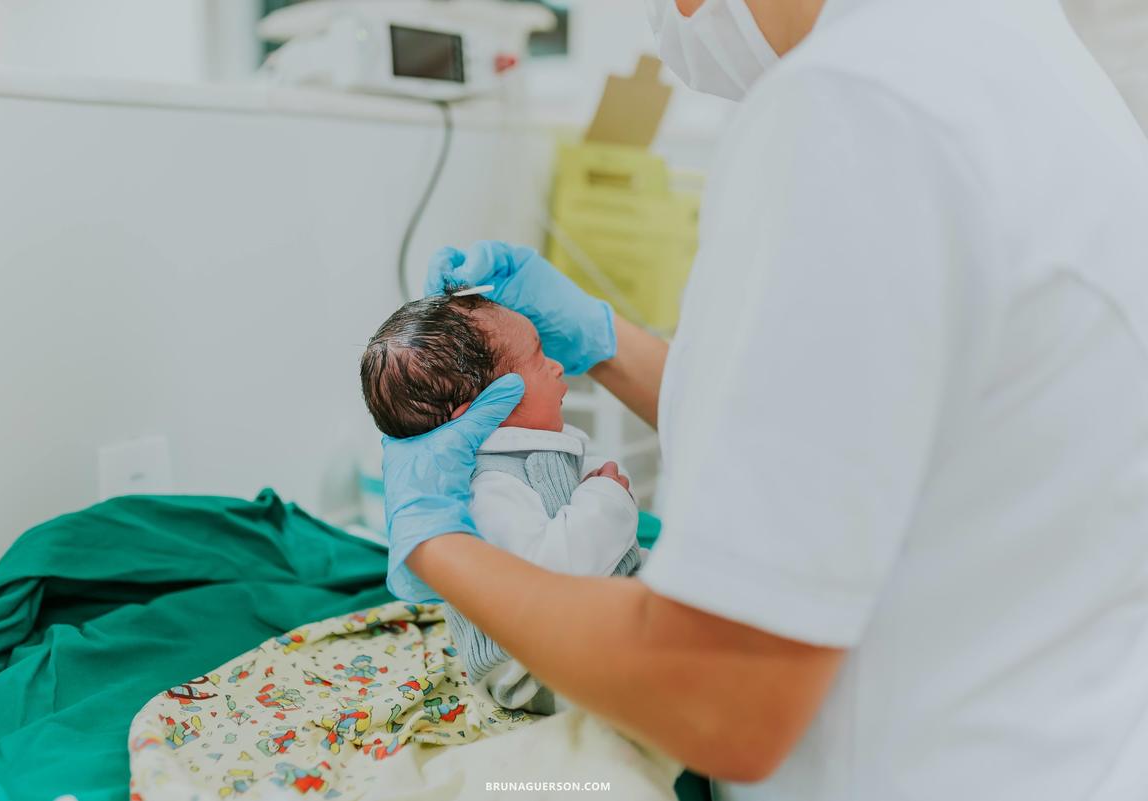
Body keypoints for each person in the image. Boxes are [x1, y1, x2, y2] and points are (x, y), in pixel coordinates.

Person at [379, 0, 1148, 796]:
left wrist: (435, 541)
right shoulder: (1013, 48)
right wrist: (605, 343)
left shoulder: (851, 105)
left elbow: (719, 696)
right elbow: (841, 429)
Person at [360, 291, 642, 713]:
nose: (557, 366)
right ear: (490, 405)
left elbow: (588, 477)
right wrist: (606, 500)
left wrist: (603, 491)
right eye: (538, 356)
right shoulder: (491, 485)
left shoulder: (538, 444)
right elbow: (549, 579)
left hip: (587, 614)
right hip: (539, 673)